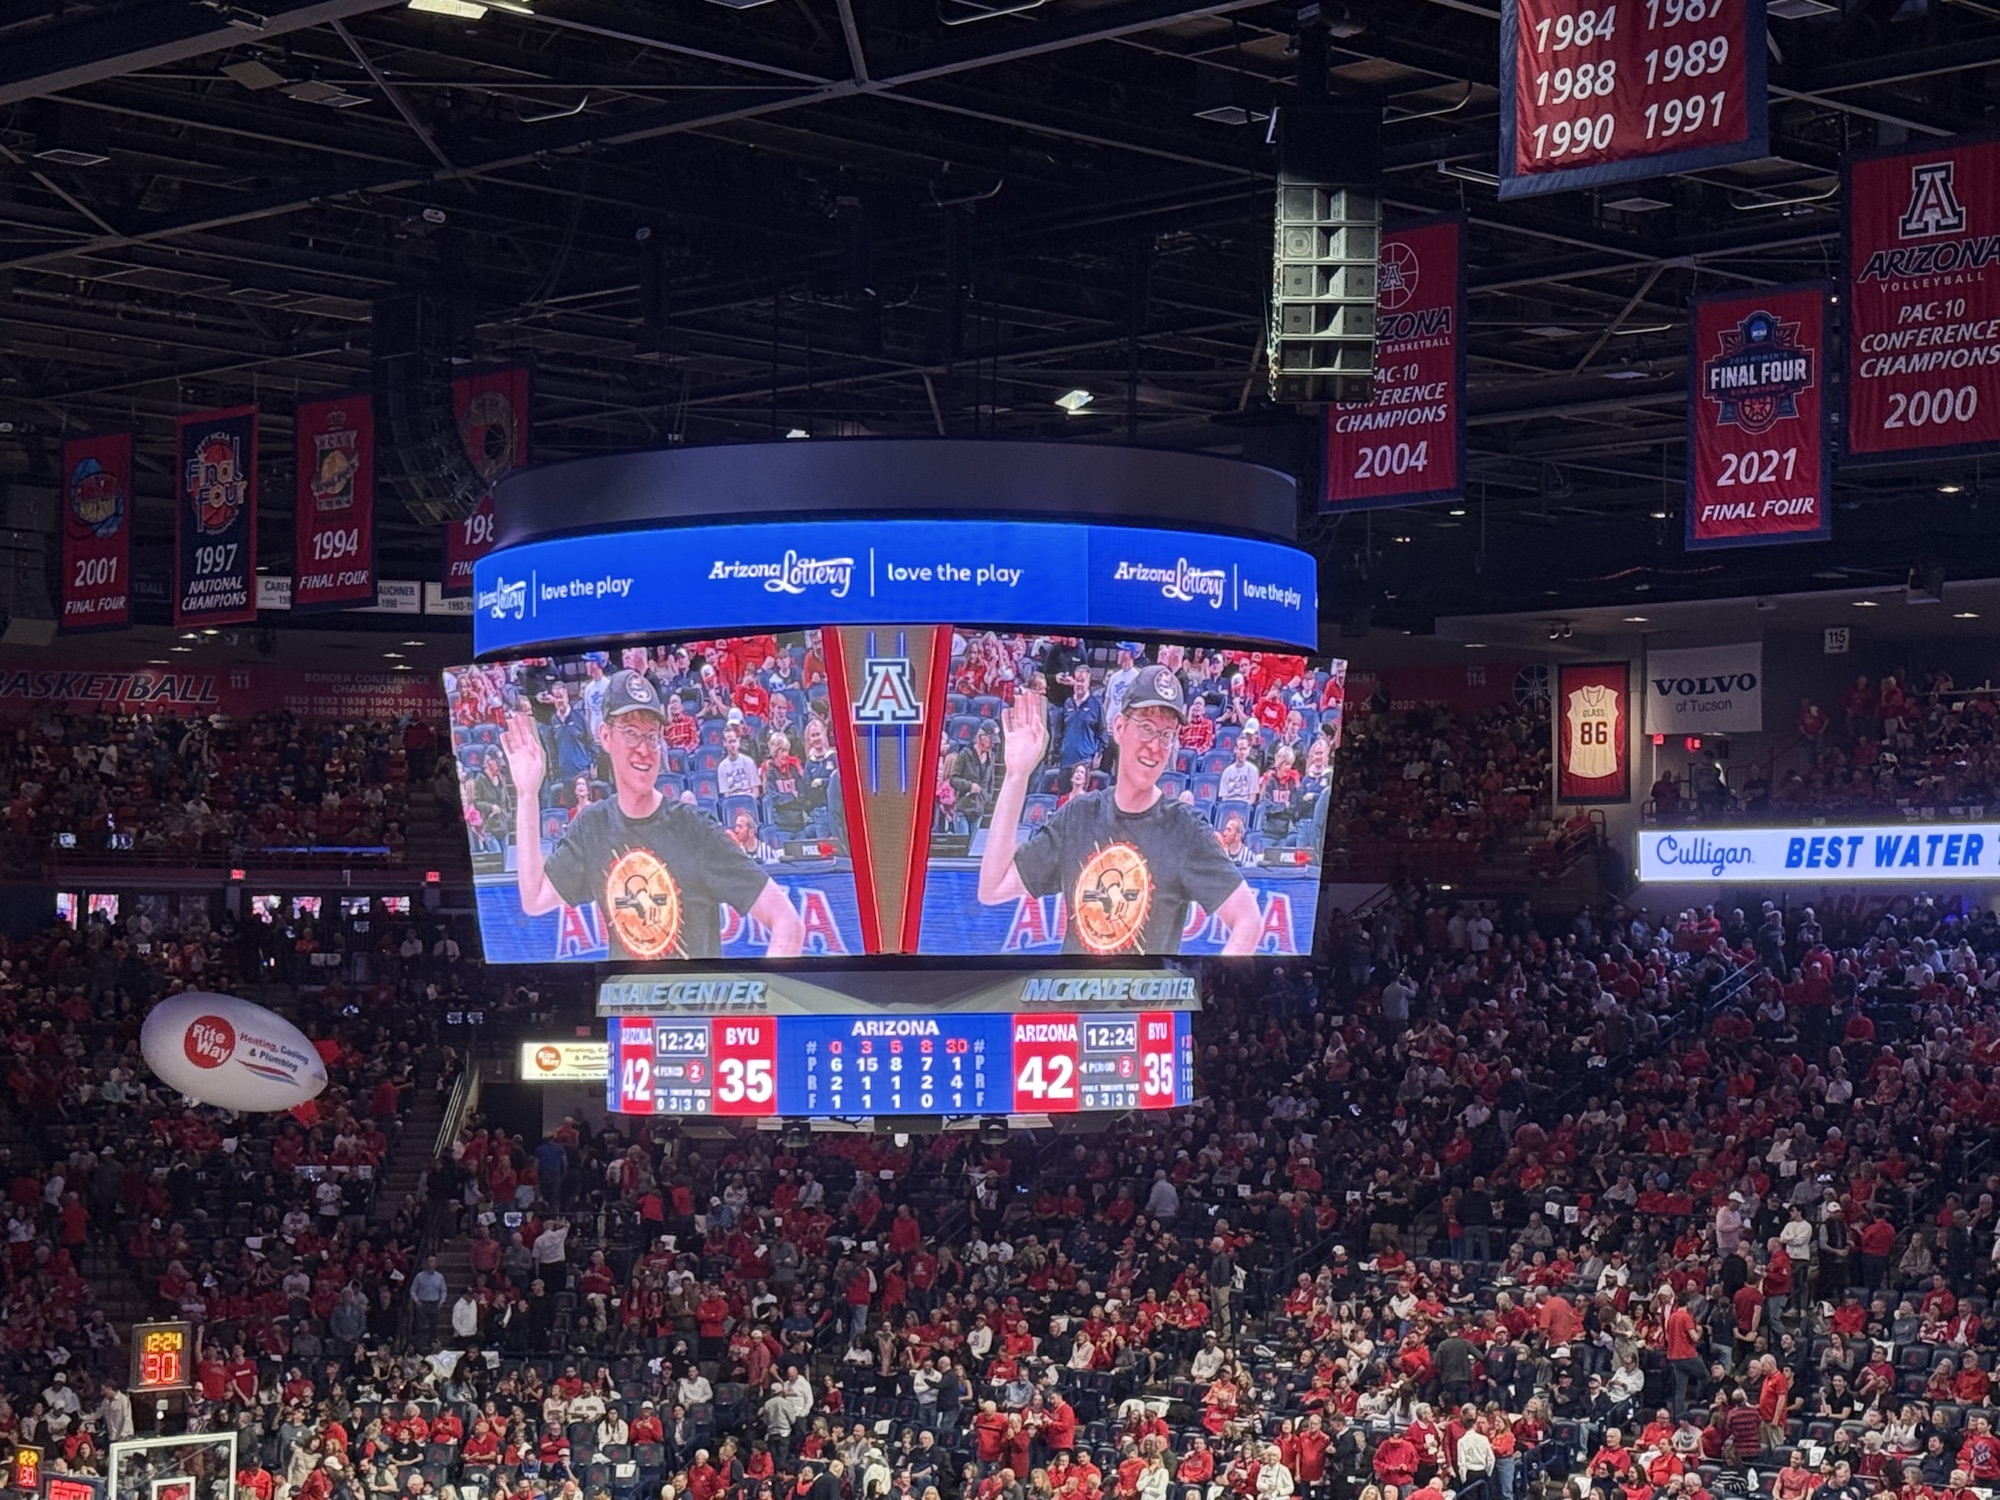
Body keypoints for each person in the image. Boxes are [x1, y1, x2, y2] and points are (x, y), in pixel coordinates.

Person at [501, 669, 805, 958]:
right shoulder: (592, 828)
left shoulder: (696, 830)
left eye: (652, 736)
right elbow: (534, 898)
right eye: (631, 733)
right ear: (605, 736)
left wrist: (758, 996)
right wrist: (527, 794)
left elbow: (788, 923)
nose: (644, 749)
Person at [978, 666, 1264, 955]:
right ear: (1119, 727)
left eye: (1166, 734)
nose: (1155, 745)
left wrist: (1207, 981)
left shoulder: (1185, 828)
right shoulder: (1078, 816)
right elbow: (993, 887)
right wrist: (1016, 775)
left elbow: (1249, 921)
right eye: (1146, 728)